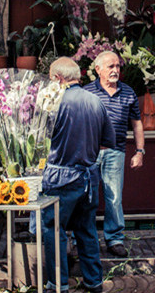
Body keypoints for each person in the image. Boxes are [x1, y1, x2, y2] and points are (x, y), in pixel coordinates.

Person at [41, 57, 116, 293]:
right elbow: (108, 142)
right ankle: (94, 281)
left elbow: (39, 141)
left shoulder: (54, 102)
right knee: (87, 229)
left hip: (61, 177)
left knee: (54, 229)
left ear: (58, 78)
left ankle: (58, 283)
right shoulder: (96, 101)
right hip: (89, 177)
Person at [83, 51, 145, 258]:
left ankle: (115, 238)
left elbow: (137, 124)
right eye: (110, 66)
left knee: (114, 197)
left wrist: (140, 151)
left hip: (115, 152)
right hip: (89, 154)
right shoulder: (86, 92)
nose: (115, 70)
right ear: (98, 69)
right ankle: (82, 239)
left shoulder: (128, 93)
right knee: (86, 197)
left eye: (117, 66)